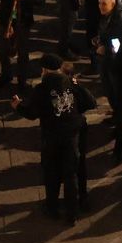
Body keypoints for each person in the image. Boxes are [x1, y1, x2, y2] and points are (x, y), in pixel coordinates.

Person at [17, 53, 96, 224]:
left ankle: (52, 208)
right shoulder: (70, 83)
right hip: (72, 136)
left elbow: (32, 113)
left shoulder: (41, 89)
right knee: (71, 174)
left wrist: (18, 107)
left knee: (51, 172)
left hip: (52, 136)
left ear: (44, 70)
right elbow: (91, 102)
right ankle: (72, 213)